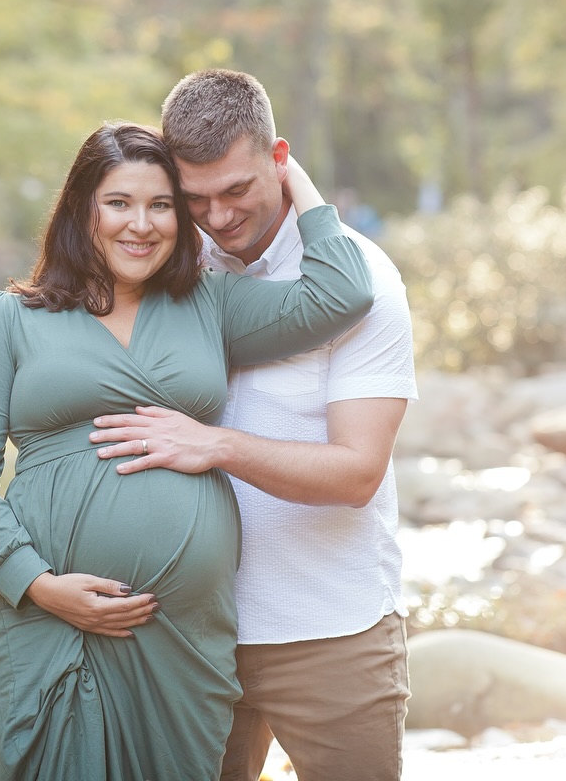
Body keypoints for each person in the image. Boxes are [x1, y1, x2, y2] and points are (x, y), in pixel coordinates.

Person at [0, 120, 373, 781]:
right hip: (53, 627)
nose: (142, 225)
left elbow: (343, 291)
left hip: (182, 639)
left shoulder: (210, 305)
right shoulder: (11, 319)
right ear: (83, 210)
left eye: (161, 205)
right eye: (119, 203)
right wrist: (40, 585)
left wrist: (290, 173)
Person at [90, 70, 418, 781]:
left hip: (328, 627)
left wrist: (215, 445)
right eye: (196, 196)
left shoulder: (362, 280)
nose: (217, 215)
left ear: (279, 159)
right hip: (185, 626)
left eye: (237, 189)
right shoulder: (163, 268)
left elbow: (358, 473)